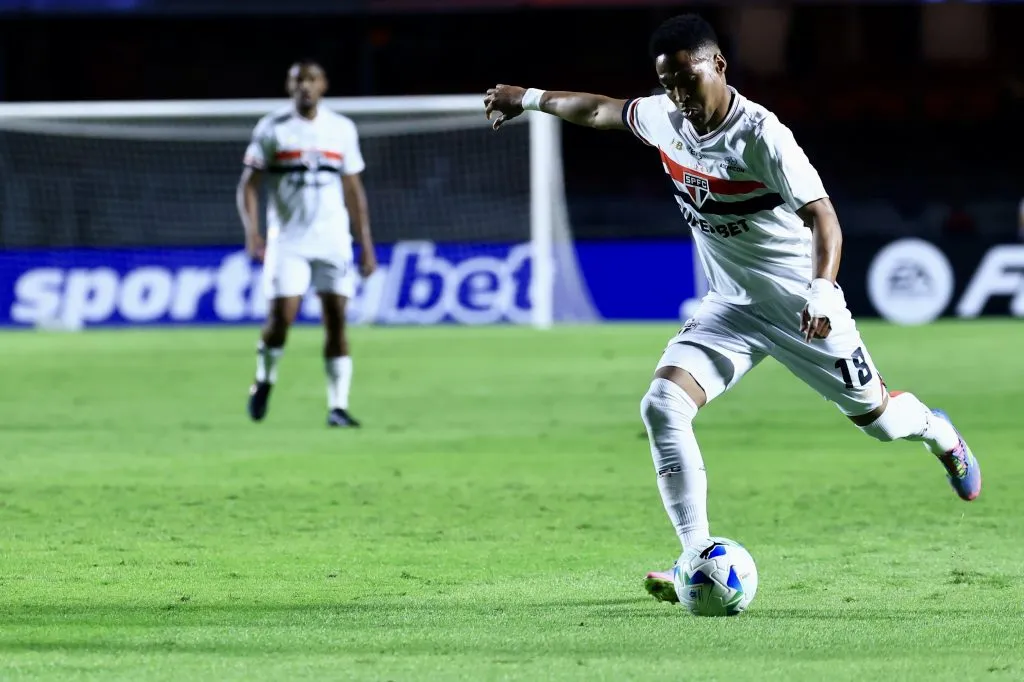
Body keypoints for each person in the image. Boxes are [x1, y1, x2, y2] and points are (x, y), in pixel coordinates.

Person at [484, 13, 981, 604]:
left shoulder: (762, 137)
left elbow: (823, 217)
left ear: (718, 65)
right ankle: (696, 556)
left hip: (802, 309)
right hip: (730, 309)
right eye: (667, 83)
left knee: (882, 423)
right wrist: (530, 99)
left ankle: (938, 432)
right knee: (663, 406)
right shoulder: (667, 117)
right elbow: (599, 110)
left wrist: (822, 290)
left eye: (687, 80)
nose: (678, 95)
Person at [237, 59, 377, 428]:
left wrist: (366, 244)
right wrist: (252, 232)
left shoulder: (341, 129)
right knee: (281, 320)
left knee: (337, 320)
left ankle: (338, 406)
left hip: (333, 241)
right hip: (289, 243)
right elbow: (248, 185)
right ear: (289, 86)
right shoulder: (272, 128)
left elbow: (353, 189)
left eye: (311, 80)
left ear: (323, 85)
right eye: (298, 80)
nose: (305, 87)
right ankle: (265, 379)